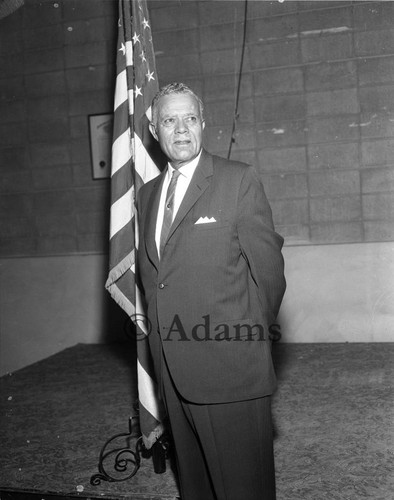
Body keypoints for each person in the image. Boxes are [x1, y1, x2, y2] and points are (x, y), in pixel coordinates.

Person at [136, 82, 286, 500]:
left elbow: (269, 276)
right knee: (196, 490)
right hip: (173, 375)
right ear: (154, 128)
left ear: (203, 124)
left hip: (230, 372)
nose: (181, 129)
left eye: (190, 118)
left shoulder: (237, 180)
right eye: (169, 119)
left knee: (242, 490)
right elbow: (156, 282)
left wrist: (242, 344)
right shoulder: (147, 196)